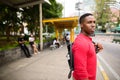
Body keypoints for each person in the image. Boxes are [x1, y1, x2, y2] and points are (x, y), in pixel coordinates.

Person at [72, 13, 103, 80]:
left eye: (94, 22)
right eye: (89, 22)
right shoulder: (81, 42)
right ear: (81, 25)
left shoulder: (87, 39)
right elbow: (80, 71)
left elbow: (87, 56)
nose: (93, 25)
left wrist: (96, 50)